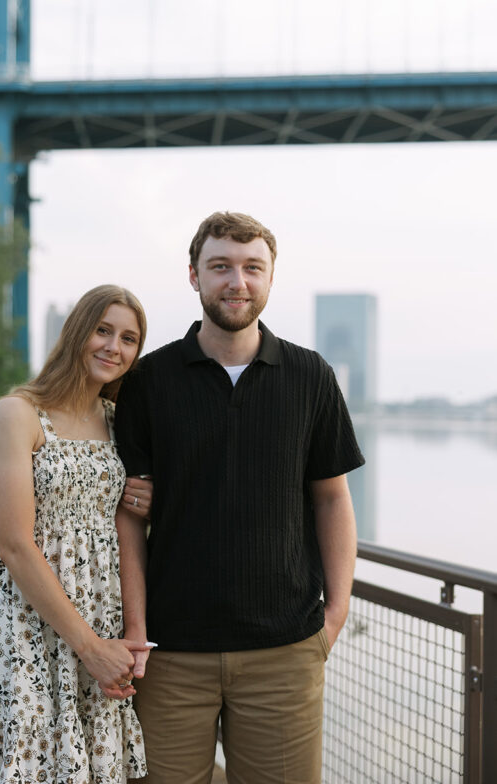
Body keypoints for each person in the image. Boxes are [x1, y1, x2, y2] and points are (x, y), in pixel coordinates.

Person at [115, 212, 365, 784]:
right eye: (221, 266)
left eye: (253, 267)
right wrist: (136, 630)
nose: (237, 281)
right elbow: (128, 515)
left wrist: (337, 610)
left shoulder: (311, 375)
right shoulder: (150, 381)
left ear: (271, 278)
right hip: (170, 650)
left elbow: (331, 498)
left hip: (284, 651)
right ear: (194, 275)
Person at [0, 284, 154, 784]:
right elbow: (16, 545)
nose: (114, 347)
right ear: (76, 332)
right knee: (27, 751)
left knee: (85, 757)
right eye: (103, 330)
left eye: (129, 339)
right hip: (24, 617)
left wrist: (132, 633)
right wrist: (89, 647)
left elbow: (127, 527)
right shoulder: (18, 414)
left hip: (99, 609)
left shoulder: (118, 420)